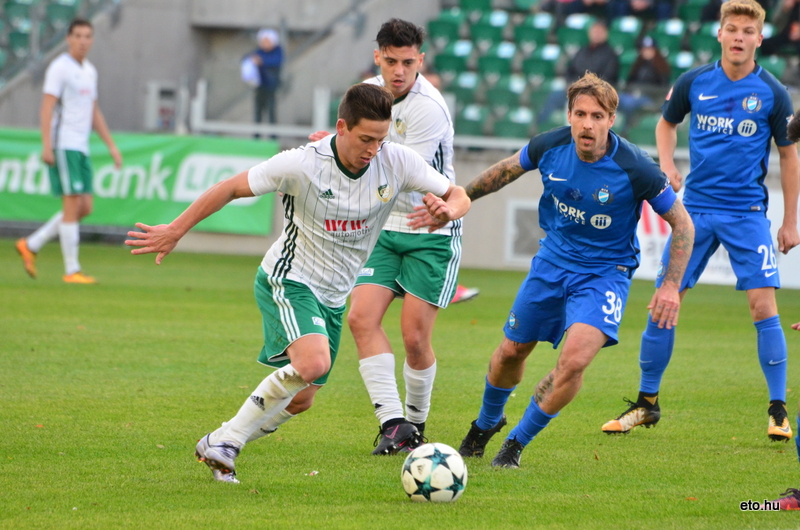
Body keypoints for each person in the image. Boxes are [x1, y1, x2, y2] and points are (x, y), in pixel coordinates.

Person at [125, 83, 470, 483]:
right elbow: (230, 187)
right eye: (364, 139)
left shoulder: (396, 162)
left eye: (380, 139)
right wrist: (176, 230)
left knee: (302, 398)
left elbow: (457, 193)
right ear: (340, 127)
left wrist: (448, 211)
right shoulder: (302, 164)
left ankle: (218, 439)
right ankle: (229, 443)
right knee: (314, 362)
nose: (373, 149)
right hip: (290, 278)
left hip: (334, 295)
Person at [433, 72, 694, 469]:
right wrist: (460, 198)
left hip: (605, 275)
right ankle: (485, 426)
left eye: (597, 115)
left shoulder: (636, 167)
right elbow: (505, 170)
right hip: (551, 264)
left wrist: (671, 286)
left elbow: (683, 224)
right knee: (510, 352)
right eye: (580, 113)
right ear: (569, 115)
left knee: (573, 362)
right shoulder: (550, 145)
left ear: (611, 120)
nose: (587, 123)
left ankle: (515, 445)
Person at [601, 0, 800, 443]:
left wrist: (790, 220)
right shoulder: (694, 82)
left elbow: (789, 155)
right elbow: (665, 124)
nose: (739, 37)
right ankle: (646, 404)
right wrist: (668, 164)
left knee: (763, 307)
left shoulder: (773, 92)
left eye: (748, 31)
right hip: (695, 212)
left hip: (747, 213)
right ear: (720, 33)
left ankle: (778, 411)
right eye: (732, 28)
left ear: (760, 38)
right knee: (664, 301)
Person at [308, 19, 476, 455]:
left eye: (407, 62)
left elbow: (394, 169)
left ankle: (416, 425)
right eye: (390, 61)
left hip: (430, 226)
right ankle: (394, 424)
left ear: (420, 60)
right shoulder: (364, 94)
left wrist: (334, 146)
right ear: (377, 56)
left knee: (415, 338)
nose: (398, 71)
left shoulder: (429, 109)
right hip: (382, 227)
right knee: (361, 319)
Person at [15, 18, 122, 284]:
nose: (83, 41)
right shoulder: (60, 68)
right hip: (64, 144)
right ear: (68, 38)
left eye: (87, 36)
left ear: (92, 39)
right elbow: (47, 107)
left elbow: (93, 111)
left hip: (82, 146)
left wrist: (111, 146)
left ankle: (32, 243)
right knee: (73, 204)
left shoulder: (90, 71)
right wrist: (46, 145)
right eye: (78, 36)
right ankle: (71, 270)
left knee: (85, 206)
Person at [536, 21, 619, 128]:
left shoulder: (610, 54)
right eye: (594, 31)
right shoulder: (582, 50)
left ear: (606, 34)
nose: (596, 34)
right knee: (554, 96)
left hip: (595, 93)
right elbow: (570, 70)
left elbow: (609, 77)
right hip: (574, 89)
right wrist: (569, 84)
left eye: (599, 32)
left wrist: (585, 88)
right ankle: (540, 128)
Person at [617, 36, 671, 135]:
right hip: (632, 95)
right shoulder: (638, 64)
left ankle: (625, 130)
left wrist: (645, 92)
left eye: (649, 49)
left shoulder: (661, 66)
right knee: (614, 99)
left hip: (650, 98)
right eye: (644, 49)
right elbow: (630, 82)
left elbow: (662, 88)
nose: (646, 52)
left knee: (630, 103)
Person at [245, 28, 283, 128]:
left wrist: (262, 62)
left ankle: (272, 137)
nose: (265, 44)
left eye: (267, 41)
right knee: (258, 112)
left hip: (271, 86)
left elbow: (276, 62)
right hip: (259, 86)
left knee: (271, 112)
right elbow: (247, 58)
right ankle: (256, 137)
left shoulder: (277, 51)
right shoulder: (259, 52)